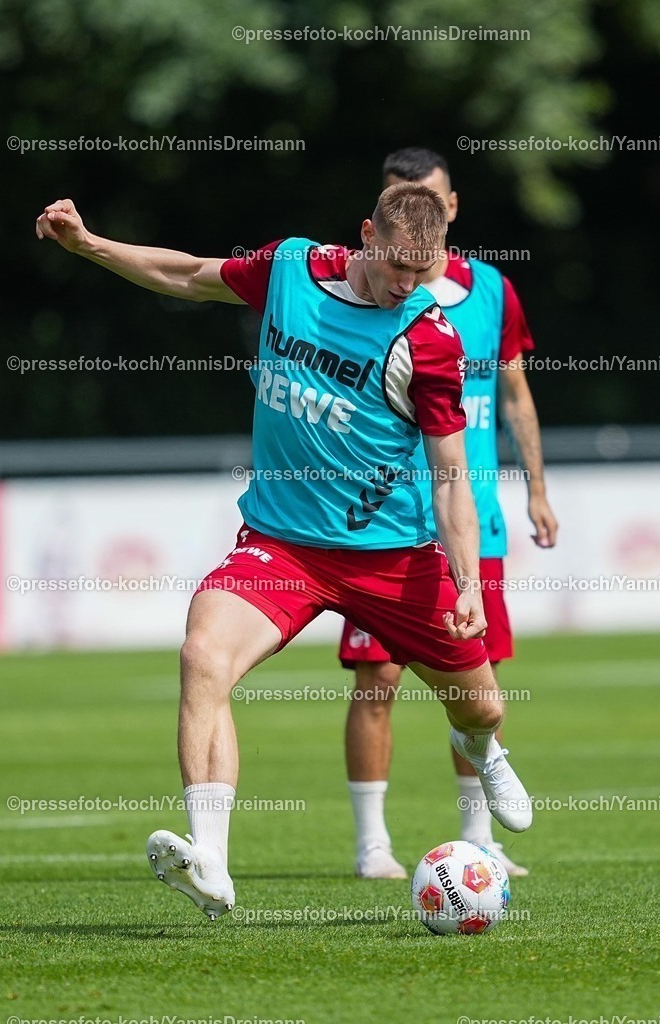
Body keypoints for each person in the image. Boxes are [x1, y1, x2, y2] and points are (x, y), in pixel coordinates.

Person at [35, 183, 532, 921]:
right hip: (283, 548)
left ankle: (484, 751)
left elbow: (451, 474)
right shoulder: (290, 270)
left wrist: (466, 582)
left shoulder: (430, 340)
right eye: (396, 264)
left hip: (392, 555)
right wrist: (90, 244)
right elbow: (187, 275)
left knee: (483, 707)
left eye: (420, 270)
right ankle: (210, 859)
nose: (406, 283)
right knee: (203, 655)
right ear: (366, 235)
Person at [340, 148, 557, 881]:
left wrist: (535, 486)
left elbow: (515, 393)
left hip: (473, 520)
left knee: (474, 680)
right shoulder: (363, 298)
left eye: (427, 198)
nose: (416, 211)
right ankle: (372, 843)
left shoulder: (492, 291)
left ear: (451, 207)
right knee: (377, 681)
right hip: (384, 522)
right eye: (399, 198)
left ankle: (478, 839)